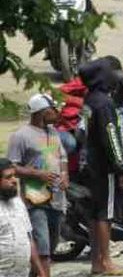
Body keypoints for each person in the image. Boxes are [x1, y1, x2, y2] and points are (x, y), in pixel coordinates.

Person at [82, 58, 123, 276]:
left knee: (94, 216)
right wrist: (121, 169)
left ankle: (96, 262)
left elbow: (120, 98)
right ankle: (106, 263)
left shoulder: (91, 99)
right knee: (105, 215)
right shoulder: (104, 104)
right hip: (104, 168)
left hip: (88, 165)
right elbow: (111, 137)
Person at [7, 95, 67, 277]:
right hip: (35, 201)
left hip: (57, 199)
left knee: (52, 244)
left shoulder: (53, 132)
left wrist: (65, 175)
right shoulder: (20, 136)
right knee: (43, 251)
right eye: (53, 110)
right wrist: (36, 174)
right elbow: (11, 167)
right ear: (42, 112)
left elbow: (62, 157)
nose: (57, 113)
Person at [0, 158, 44, 277]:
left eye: (14, 176)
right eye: (8, 177)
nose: (14, 180)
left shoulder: (18, 203)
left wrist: (41, 272)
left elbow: (28, 238)